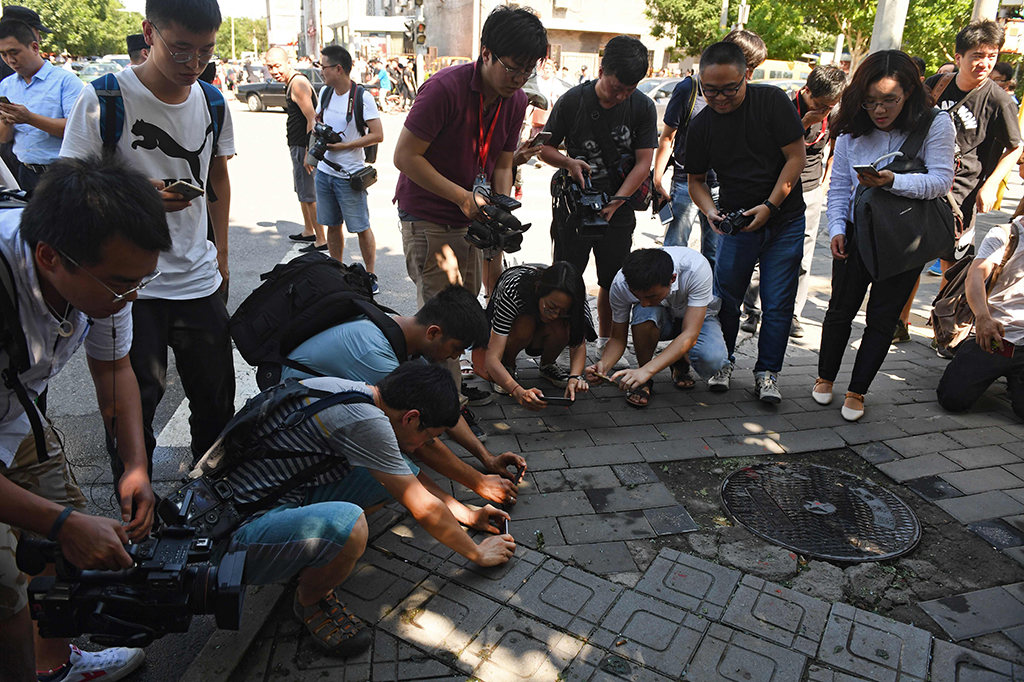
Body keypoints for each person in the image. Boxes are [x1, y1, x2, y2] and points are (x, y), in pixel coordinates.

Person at [0, 157, 171, 682]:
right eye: (123, 283)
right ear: (50, 257)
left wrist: (136, 465)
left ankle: (56, 664)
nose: (134, 296)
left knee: (60, 544)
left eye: (143, 279)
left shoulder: (106, 278)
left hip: (15, 416)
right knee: (5, 583)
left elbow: (116, 371)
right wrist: (61, 524)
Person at [217, 363, 515, 658]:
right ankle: (310, 600)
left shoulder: (356, 392)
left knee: (386, 479)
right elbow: (423, 508)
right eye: (427, 438)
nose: (422, 446)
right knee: (350, 526)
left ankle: (313, 559)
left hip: (274, 496)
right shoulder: (366, 422)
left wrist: (466, 513)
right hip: (236, 534)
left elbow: (408, 480)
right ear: (411, 418)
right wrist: (476, 554)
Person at [61, 0, 236, 475]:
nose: (193, 63)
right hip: (128, 288)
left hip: (198, 279)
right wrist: (138, 198)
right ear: (149, 33)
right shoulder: (106, 98)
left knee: (217, 406)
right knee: (131, 409)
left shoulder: (213, 100)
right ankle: (138, 511)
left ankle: (211, 500)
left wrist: (221, 253)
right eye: (181, 48)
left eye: (205, 51)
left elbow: (217, 178)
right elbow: (67, 190)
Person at [393, 5, 547, 413]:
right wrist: (462, 197)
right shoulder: (444, 88)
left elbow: (500, 162)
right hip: (429, 213)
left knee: (468, 302)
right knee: (443, 315)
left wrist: (499, 214)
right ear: (486, 52)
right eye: (513, 68)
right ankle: (443, 412)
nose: (519, 79)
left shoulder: (515, 102)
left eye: (528, 70)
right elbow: (405, 157)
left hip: (470, 214)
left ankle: (450, 394)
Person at [283, 285, 525, 505]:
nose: (454, 358)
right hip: (293, 423)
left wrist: (486, 458)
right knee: (401, 462)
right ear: (433, 333)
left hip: (328, 402)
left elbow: (441, 406)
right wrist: (479, 483)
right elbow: (418, 437)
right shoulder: (376, 355)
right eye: (455, 349)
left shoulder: (403, 331)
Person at [814, 50, 955, 421]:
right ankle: (824, 377)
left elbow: (940, 181)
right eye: (871, 101)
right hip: (857, 233)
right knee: (840, 310)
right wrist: (838, 228)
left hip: (903, 236)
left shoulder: (935, 124)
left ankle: (857, 391)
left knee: (882, 316)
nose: (879, 110)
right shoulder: (850, 127)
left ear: (908, 92)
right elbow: (840, 185)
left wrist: (893, 181)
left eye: (889, 100)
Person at [685, 40, 807, 403]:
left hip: (783, 218)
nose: (719, 98)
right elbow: (696, 181)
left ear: (746, 77)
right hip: (735, 222)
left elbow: (796, 157)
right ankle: (724, 361)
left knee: (777, 301)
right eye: (710, 91)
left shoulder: (771, 102)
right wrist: (710, 212)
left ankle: (767, 372)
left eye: (729, 89)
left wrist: (770, 205)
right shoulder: (702, 124)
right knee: (727, 297)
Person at [911, 20, 1023, 358]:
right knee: (909, 259)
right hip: (920, 185)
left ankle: (943, 326)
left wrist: (991, 184)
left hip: (962, 196)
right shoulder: (936, 85)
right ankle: (898, 322)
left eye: (992, 56)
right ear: (958, 56)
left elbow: (1016, 147)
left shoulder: (1000, 100)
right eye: (977, 55)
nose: (985, 63)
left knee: (953, 264)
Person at [540, 35, 657, 348]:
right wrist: (568, 162)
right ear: (602, 69)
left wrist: (617, 202)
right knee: (566, 278)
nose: (620, 96)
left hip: (618, 208)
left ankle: (608, 342)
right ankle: (563, 344)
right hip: (574, 206)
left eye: (628, 90)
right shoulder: (573, 101)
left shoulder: (642, 106)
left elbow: (644, 162)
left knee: (614, 280)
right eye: (615, 86)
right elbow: (544, 149)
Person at [740, 65, 848, 339]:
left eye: (830, 106)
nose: (824, 110)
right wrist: (802, 124)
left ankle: (793, 314)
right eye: (820, 104)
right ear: (806, 91)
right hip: (774, 187)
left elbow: (836, 150)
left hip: (810, 188)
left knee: (801, 256)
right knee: (758, 251)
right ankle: (752, 310)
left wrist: (824, 184)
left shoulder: (834, 114)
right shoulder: (783, 107)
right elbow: (768, 150)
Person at [586, 247, 729, 406]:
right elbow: (618, 339)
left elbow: (690, 335)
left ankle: (673, 362)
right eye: (637, 297)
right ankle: (642, 380)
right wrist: (604, 365)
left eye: (651, 296)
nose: (644, 302)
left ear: (672, 279)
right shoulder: (621, 284)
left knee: (712, 359)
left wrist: (646, 372)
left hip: (694, 317)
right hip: (661, 318)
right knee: (644, 313)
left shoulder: (696, 269)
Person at [303, 45, 382, 290]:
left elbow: (378, 135)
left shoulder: (362, 97)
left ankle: (370, 275)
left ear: (338, 69)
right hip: (324, 173)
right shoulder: (325, 92)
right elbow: (317, 124)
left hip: (349, 175)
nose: (321, 71)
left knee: (360, 227)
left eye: (323, 66)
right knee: (332, 226)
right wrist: (311, 153)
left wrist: (346, 145)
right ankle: (336, 272)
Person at [474, 262, 595, 409]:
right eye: (551, 307)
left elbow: (578, 342)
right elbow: (491, 358)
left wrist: (574, 377)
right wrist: (517, 391)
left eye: (564, 311)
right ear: (539, 290)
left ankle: (548, 365)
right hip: (517, 324)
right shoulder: (513, 290)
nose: (555, 314)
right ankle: (508, 366)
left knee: (563, 325)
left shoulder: (576, 301)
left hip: (543, 326)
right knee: (524, 324)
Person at [937, 221, 1024, 421]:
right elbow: (975, 274)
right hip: (994, 337)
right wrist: (983, 317)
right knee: (953, 399)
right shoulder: (1006, 235)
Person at [0, 18, 83, 191]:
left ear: (35, 47)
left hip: (62, 174)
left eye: (14, 52)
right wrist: (8, 121)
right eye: (3, 54)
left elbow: (75, 130)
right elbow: (3, 138)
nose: (10, 60)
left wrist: (29, 118)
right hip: (25, 172)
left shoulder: (65, 81)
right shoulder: (6, 86)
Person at [265, 47, 324, 252]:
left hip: (303, 146)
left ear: (287, 62)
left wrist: (310, 152)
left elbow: (312, 118)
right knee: (301, 189)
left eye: (277, 65)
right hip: (297, 145)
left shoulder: (297, 84)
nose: (274, 70)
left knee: (308, 192)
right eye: (270, 67)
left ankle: (321, 239)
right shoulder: (292, 82)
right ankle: (309, 230)